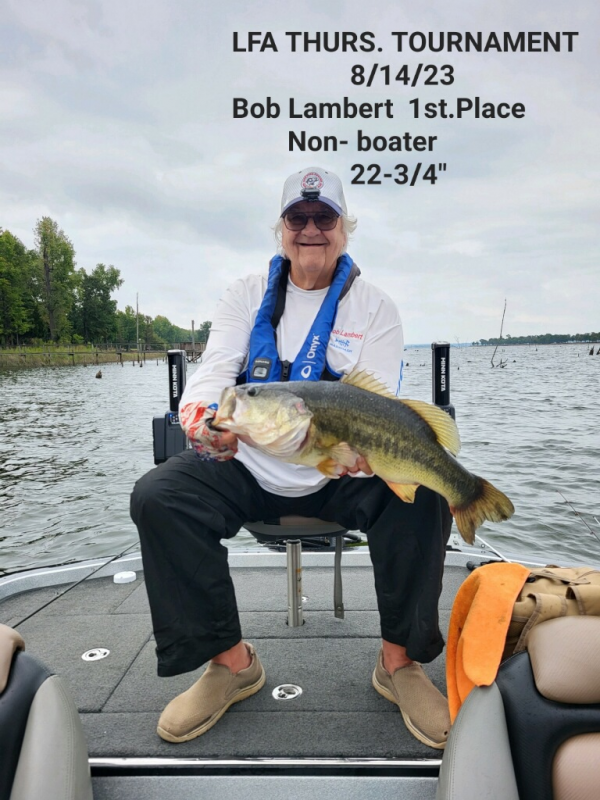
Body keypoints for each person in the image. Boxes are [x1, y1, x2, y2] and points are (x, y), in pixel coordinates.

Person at [130, 166, 453, 749]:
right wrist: (204, 423)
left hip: (338, 466)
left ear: (345, 228)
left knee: (425, 493)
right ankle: (231, 664)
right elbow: (212, 373)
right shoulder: (245, 294)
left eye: (323, 217)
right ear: (280, 229)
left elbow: (378, 402)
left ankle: (399, 664)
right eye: (297, 218)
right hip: (248, 463)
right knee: (159, 496)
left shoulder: (375, 308)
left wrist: (365, 453)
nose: (310, 229)